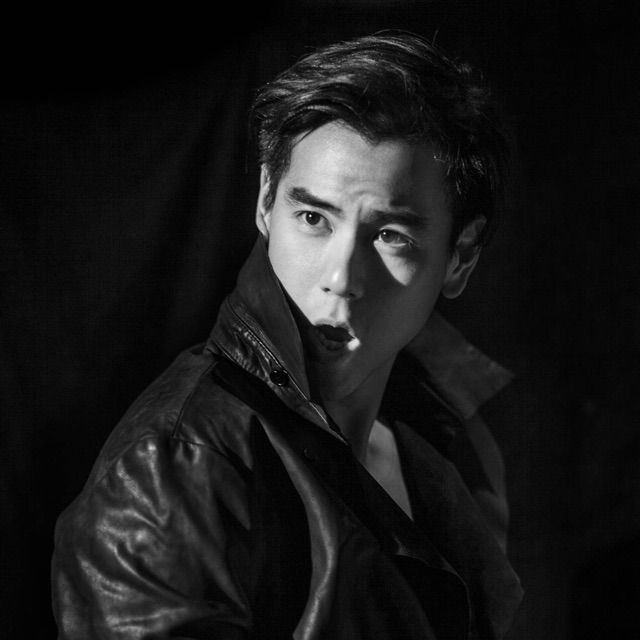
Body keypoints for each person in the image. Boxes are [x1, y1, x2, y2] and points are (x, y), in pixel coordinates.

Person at [52, 32, 523, 639]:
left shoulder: (447, 448)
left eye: (390, 236)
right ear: (265, 202)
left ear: (461, 257)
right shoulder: (176, 466)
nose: (340, 278)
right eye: (313, 218)